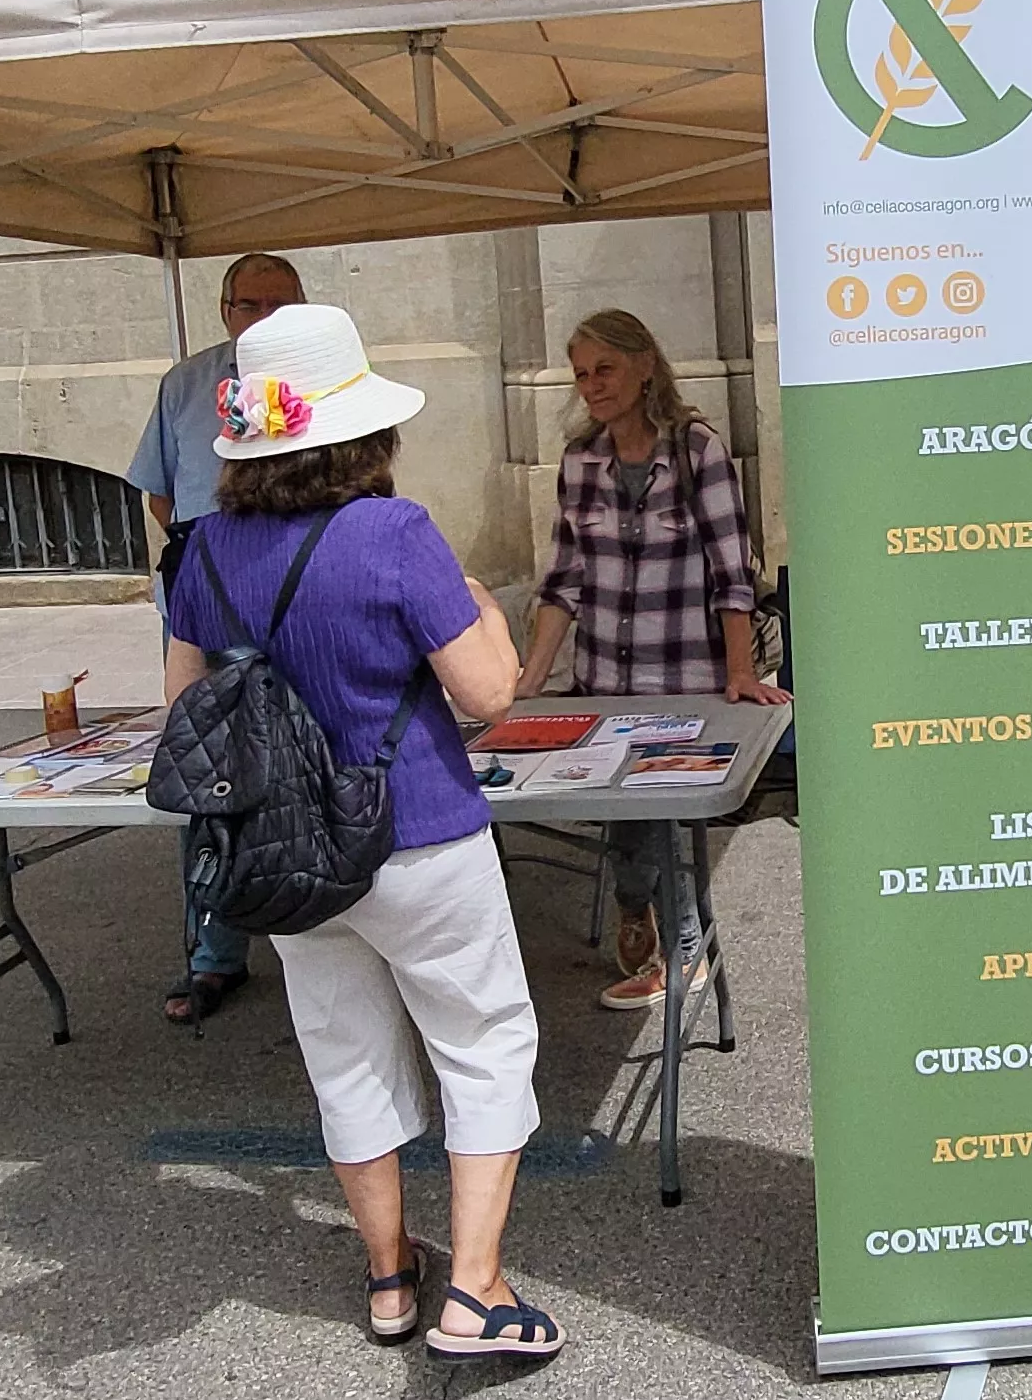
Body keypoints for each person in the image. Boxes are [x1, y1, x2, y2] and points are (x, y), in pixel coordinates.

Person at [165, 303, 562, 1361]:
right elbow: (489, 695)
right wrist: (480, 605)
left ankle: (390, 1277)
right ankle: (475, 1290)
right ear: (363, 434)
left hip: (286, 857)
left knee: (344, 1055)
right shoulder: (395, 535)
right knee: (481, 1045)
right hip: (419, 830)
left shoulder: (199, 553)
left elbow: (185, 714)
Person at [516, 308, 792, 1012]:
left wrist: (738, 672)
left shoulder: (698, 450)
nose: (591, 385)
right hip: (605, 680)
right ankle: (640, 908)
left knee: (663, 818)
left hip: (685, 684)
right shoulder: (581, 462)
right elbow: (564, 581)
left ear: (645, 366)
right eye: (581, 374)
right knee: (625, 820)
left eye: (604, 368)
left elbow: (733, 571)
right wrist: (527, 682)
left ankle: (686, 951)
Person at [129, 252, 306, 1023]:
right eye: (248, 303)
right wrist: (208, 564)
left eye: (280, 304)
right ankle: (214, 951)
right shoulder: (185, 384)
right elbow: (160, 490)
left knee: (308, 754)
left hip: (297, 573)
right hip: (210, 573)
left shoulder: (322, 378)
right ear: (225, 309)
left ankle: (320, 918)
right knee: (209, 758)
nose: (262, 317)